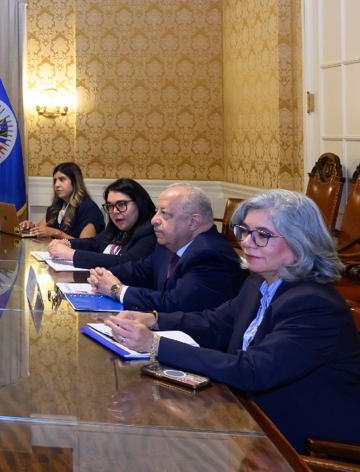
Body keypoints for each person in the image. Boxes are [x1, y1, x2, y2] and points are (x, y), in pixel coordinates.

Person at [105, 190, 360, 454]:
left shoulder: (314, 305)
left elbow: (252, 371)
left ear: (300, 242)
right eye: (245, 231)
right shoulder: (259, 282)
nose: (247, 242)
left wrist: (154, 344)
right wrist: (154, 319)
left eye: (262, 235)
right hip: (250, 422)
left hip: (304, 446)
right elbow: (216, 323)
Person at [87, 182, 243, 313]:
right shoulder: (169, 245)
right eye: (156, 212)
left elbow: (175, 303)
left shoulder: (211, 255)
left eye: (164, 214)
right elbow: (139, 270)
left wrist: (117, 290)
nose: (154, 220)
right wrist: (103, 275)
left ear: (193, 222)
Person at [48, 178, 157, 268]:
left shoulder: (149, 232)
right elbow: (96, 243)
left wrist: (71, 254)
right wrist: (67, 243)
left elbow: (124, 262)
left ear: (139, 204)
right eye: (110, 206)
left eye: (121, 204)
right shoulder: (118, 228)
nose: (115, 211)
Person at [20, 162, 104, 239]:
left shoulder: (88, 208)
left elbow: (86, 245)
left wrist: (57, 233)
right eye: (55, 181)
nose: (56, 185)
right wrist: (30, 228)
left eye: (62, 179)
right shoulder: (56, 207)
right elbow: (42, 229)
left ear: (75, 182)